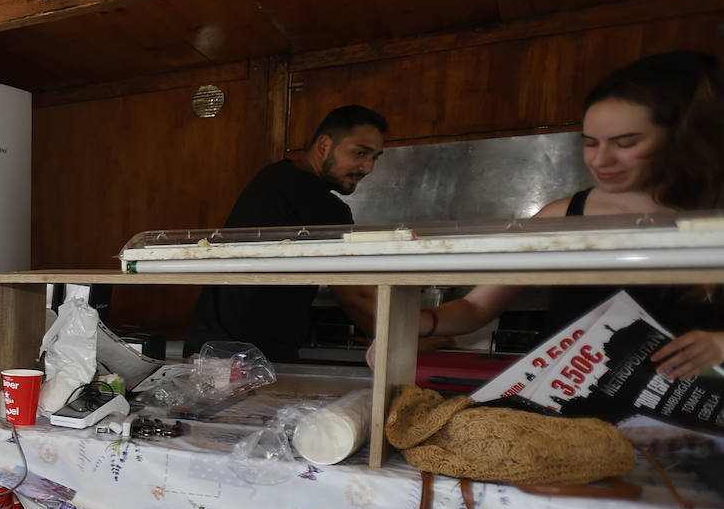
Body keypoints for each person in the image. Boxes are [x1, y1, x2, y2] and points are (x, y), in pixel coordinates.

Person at [412, 51, 724, 381]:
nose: (600, 159)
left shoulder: (713, 217)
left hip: (689, 419)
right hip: (563, 417)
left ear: (680, 139)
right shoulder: (561, 216)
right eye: (590, 142)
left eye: (625, 142)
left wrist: (720, 343)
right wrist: (421, 323)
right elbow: (477, 307)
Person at [183, 104, 387, 361]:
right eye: (360, 153)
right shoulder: (321, 204)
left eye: (375, 158)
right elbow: (356, 296)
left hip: (208, 346)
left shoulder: (274, 176)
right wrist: (412, 336)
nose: (368, 167)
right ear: (324, 145)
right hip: (250, 359)